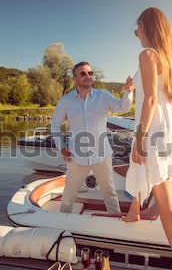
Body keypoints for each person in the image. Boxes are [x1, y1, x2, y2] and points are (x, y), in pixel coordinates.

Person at [122, 7, 172, 270]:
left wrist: (140, 138)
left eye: (137, 27)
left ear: (146, 27)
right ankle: (134, 210)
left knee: (166, 201)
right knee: (159, 186)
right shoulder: (169, 58)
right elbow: (156, 97)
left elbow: (151, 99)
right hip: (169, 128)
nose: (135, 33)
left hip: (157, 131)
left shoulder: (147, 54)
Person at [51, 61, 134, 214]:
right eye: (83, 73)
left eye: (90, 73)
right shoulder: (66, 101)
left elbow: (123, 107)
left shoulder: (103, 95)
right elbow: (55, 124)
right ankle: (63, 224)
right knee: (69, 195)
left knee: (110, 194)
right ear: (74, 78)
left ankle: (114, 222)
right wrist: (61, 147)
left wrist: (128, 91)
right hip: (77, 157)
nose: (88, 76)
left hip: (102, 155)